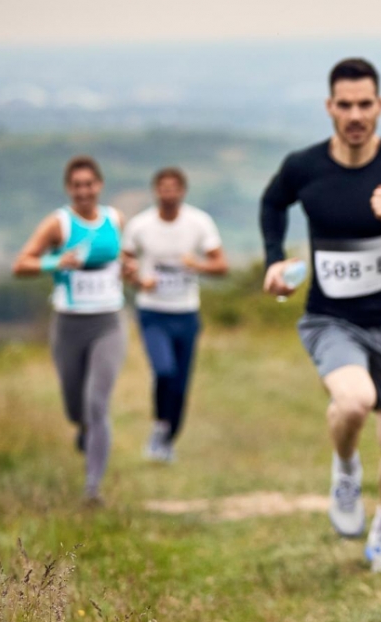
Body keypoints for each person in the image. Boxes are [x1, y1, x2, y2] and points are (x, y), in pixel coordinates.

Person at [261, 57, 381, 572]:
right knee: (354, 402)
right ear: (330, 108)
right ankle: (345, 469)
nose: (355, 114)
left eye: (365, 104)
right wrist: (274, 256)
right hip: (331, 320)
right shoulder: (305, 167)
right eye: (345, 105)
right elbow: (272, 202)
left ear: (380, 106)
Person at [12, 155, 130, 504]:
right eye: (77, 185)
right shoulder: (58, 224)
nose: (84, 191)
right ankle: (83, 428)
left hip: (109, 322)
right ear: (69, 189)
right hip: (69, 324)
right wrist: (55, 261)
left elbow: (127, 258)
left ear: (99, 185)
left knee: (97, 404)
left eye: (89, 184)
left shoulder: (116, 219)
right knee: (75, 407)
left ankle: (92, 489)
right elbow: (21, 264)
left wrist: (131, 268)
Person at [121, 166, 228, 463]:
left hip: (186, 312)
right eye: (163, 188)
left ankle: (168, 438)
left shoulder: (198, 223)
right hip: (152, 311)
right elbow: (125, 263)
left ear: (182, 191)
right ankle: (159, 427)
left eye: (174, 188)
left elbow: (221, 266)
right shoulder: (140, 226)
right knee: (164, 370)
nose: (168, 194)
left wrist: (196, 265)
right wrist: (138, 280)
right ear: (155, 191)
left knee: (180, 383)